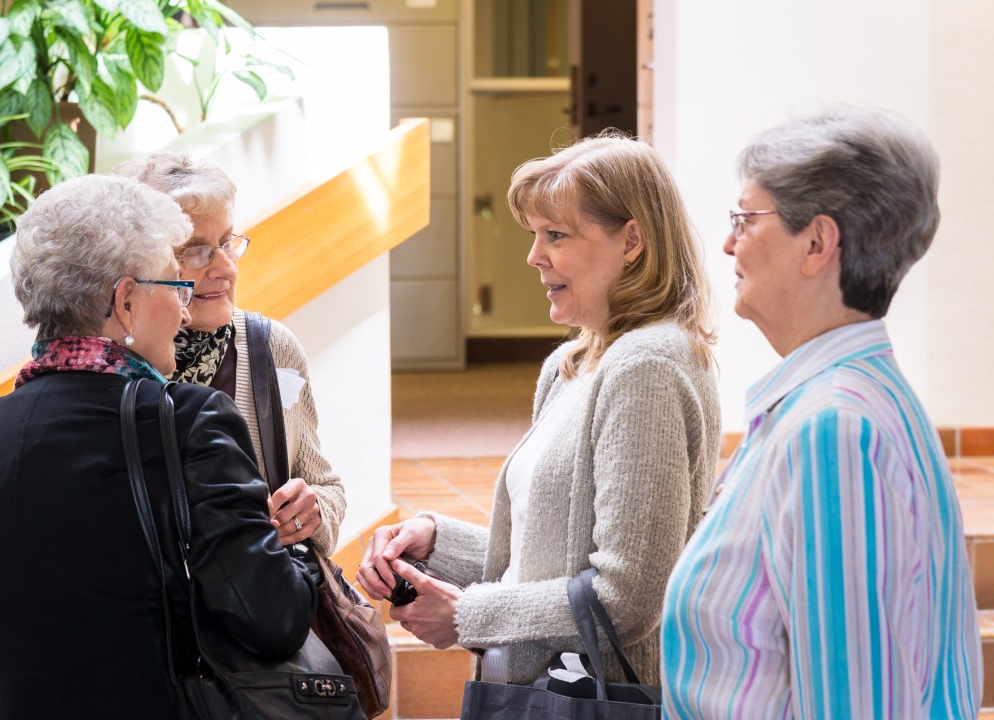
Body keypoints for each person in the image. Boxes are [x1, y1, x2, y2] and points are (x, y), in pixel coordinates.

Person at [0, 175, 318, 719]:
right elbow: (273, 621)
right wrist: (296, 552)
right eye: (174, 285)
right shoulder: (190, 420)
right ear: (126, 301)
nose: (184, 311)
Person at [357, 131, 721, 687]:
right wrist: (437, 541)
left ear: (632, 241)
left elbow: (625, 599)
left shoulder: (646, 367)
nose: (533, 256)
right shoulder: (572, 364)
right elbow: (549, 555)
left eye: (556, 235)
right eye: (534, 235)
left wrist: (467, 615)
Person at [661, 106, 983, 718]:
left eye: (745, 219)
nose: (728, 242)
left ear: (816, 243)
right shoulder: (841, 401)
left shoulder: (834, 431)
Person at [116, 152, 345, 556]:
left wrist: (313, 512)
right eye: (195, 251)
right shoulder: (108, 363)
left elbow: (325, 486)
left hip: (255, 592)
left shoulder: (272, 348)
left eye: (226, 244)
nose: (225, 268)